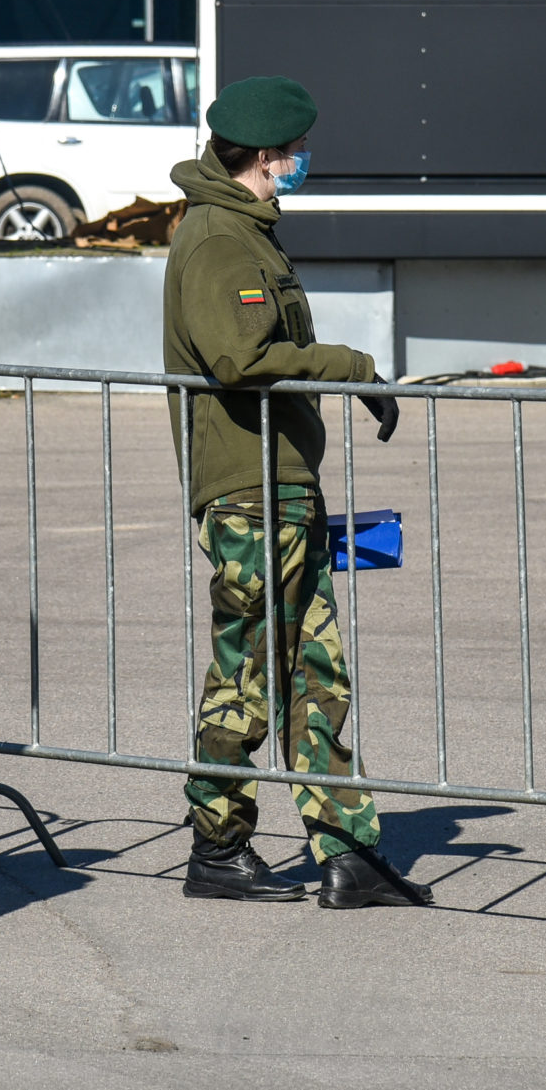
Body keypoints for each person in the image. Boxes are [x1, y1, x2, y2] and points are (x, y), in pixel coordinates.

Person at [163, 74, 432, 910]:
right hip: (249, 488)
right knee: (248, 670)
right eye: (297, 149)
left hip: (282, 484)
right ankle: (218, 845)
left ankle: (346, 852)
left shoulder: (247, 230)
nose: (304, 161)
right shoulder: (219, 240)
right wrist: (351, 368)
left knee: (315, 669)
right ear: (270, 156)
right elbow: (239, 361)